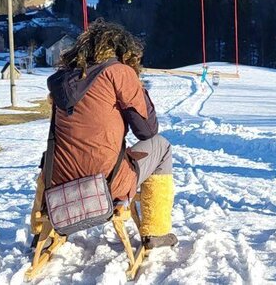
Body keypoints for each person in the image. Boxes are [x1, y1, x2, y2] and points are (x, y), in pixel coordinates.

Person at [45, 20, 178, 248]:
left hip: (59, 185)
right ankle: (156, 232)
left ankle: (41, 235)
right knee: (162, 146)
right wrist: (138, 87)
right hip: (106, 185)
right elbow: (147, 131)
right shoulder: (118, 73)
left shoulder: (62, 81)